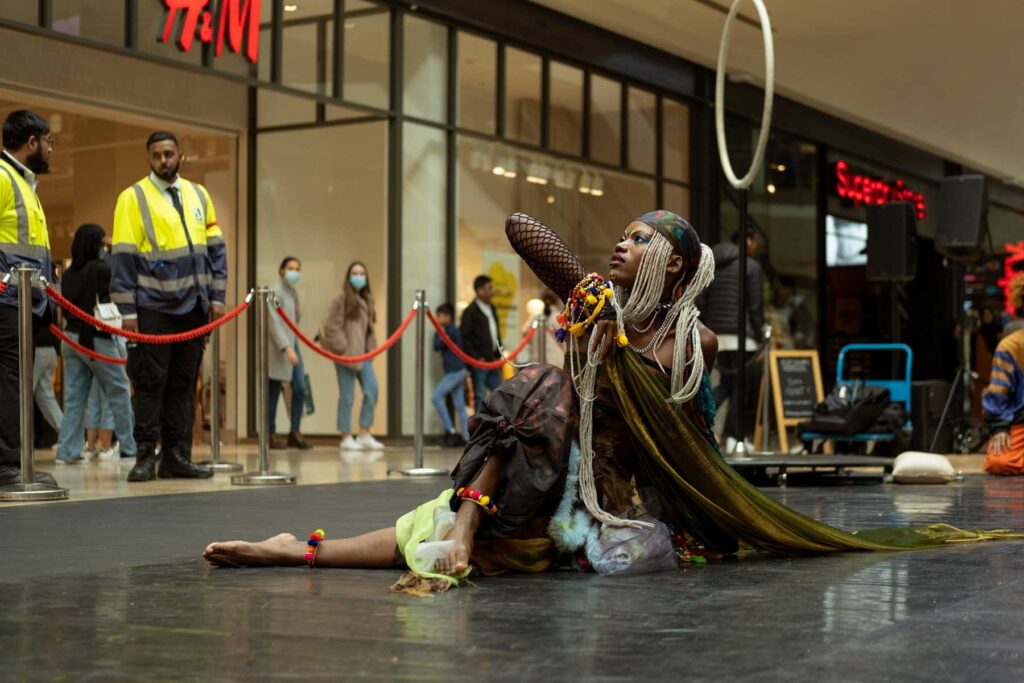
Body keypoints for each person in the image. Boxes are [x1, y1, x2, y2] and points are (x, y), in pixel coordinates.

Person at [204, 210, 1019, 590]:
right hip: (551, 467)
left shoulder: (685, 340)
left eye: (638, 240)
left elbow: (665, 429)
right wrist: (590, 337)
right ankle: (311, 547)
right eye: (621, 237)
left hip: (618, 496)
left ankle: (334, 545)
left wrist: (609, 350)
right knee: (530, 403)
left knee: (492, 524)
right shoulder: (597, 314)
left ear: (667, 259)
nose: (620, 245)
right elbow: (530, 248)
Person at [111, 131, 226, 481]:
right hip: (152, 308)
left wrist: (217, 298)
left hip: (194, 306)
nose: (164, 160)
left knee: (183, 384)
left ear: (181, 156)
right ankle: (145, 455)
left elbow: (216, 249)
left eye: (169, 154)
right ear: (149, 158)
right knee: (149, 385)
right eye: (157, 155)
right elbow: (123, 258)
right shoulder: (132, 197)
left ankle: (177, 455)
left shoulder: (198, 194)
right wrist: (128, 313)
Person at [0, 110, 58, 487]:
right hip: (7, 299)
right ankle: (7, 464)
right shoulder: (4, 177)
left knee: (14, 381)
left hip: (28, 302)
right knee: (7, 381)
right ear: (32, 142)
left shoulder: (25, 183)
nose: (51, 149)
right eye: (48, 141)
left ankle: (14, 461)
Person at [55, 224, 137, 465]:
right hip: (96, 340)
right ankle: (130, 447)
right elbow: (115, 275)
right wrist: (112, 247)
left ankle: (67, 451)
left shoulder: (68, 274)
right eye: (101, 244)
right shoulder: (101, 268)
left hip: (70, 339)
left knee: (74, 399)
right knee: (120, 391)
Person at [698, 225, 763, 452]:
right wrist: (760, 334)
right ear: (749, 239)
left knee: (726, 383)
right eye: (754, 241)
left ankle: (699, 420)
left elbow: (702, 298)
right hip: (742, 336)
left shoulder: (714, 263)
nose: (755, 246)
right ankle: (736, 438)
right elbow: (754, 306)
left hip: (717, 335)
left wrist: (707, 326)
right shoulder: (751, 267)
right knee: (740, 388)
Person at [320, 261, 383, 451]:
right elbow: (331, 326)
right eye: (355, 273)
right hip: (345, 357)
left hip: (363, 356)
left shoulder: (368, 299)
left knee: (372, 390)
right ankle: (346, 435)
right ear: (348, 277)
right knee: (347, 397)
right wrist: (343, 348)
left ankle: (364, 432)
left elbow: (370, 328)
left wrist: (371, 348)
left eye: (362, 273)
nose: (359, 276)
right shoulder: (341, 299)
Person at [269, 256, 312, 450]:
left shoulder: (293, 293)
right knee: (273, 392)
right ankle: (269, 434)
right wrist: (286, 347)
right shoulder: (274, 291)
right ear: (281, 270)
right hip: (278, 348)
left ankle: (294, 431)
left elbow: (295, 319)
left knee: (300, 388)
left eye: (297, 269)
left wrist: (292, 346)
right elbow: (274, 322)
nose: (294, 272)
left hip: (293, 345)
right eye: (290, 268)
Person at [983, 289, 1024, 475]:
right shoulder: (1010, 347)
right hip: (1021, 425)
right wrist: (999, 427)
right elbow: (998, 393)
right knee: (999, 462)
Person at [461, 274, 503, 411]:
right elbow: (465, 337)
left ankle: (498, 427)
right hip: (479, 362)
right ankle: (479, 429)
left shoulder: (492, 308)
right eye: (489, 288)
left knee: (499, 394)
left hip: (493, 360)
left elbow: (496, 331)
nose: (493, 291)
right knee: (480, 395)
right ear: (479, 291)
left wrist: (499, 352)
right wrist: (476, 357)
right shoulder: (470, 312)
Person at [431, 303, 470, 448]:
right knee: (459, 405)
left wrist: (442, 333)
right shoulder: (440, 331)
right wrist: (440, 332)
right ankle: (466, 436)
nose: (438, 319)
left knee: (435, 397)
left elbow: (443, 343)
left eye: (440, 316)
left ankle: (452, 430)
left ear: (449, 317)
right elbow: (436, 346)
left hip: (456, 371)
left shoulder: (453, 330)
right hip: (452, 371)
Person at [32, 317, 63, 434]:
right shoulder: (45, 299)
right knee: (46, 398)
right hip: (50, 349)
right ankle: (68, 438)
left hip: (36, 349)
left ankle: (11, 439)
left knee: (21, 396)